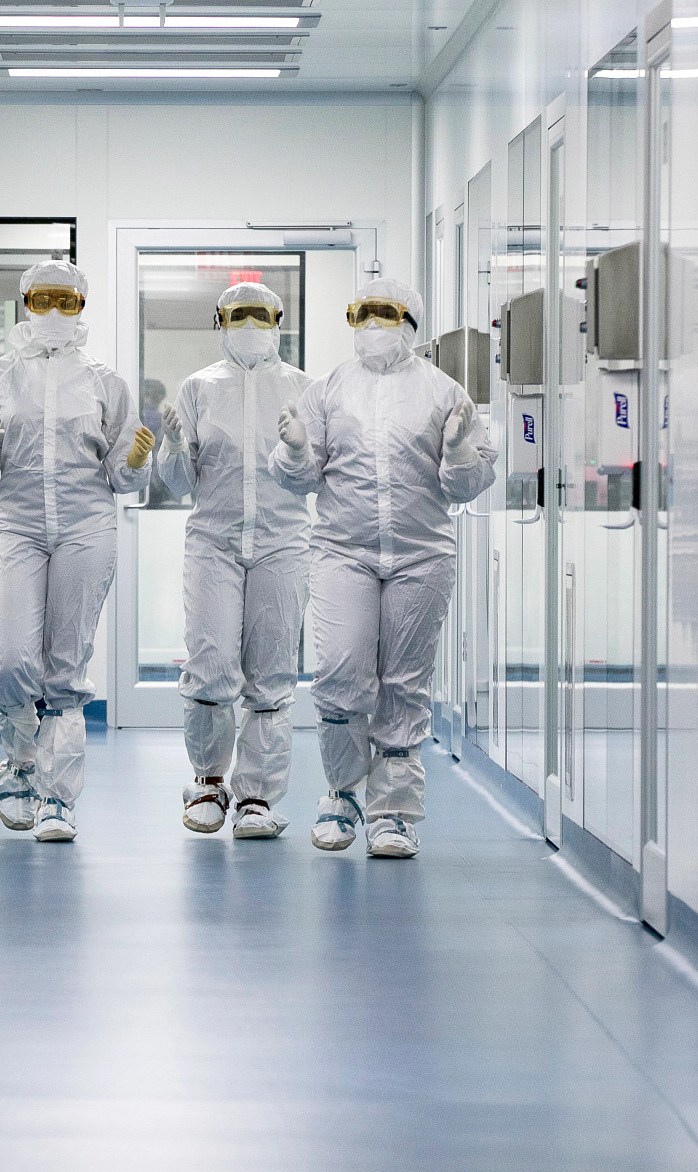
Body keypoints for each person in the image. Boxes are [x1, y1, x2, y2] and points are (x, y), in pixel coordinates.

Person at [272, 278, 496, 858]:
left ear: (411, 324)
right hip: (343, 551)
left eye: (385, 313)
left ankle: (393, 813)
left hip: (421, 555)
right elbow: (299, 481)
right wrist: (295, 449)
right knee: (341, 673)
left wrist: (459, 450)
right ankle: (341, 795)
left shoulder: (446, 393)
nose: (371, 325)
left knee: (403, 684)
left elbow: (466, 487)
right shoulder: (327, 392)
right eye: (361, 314)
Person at [0, 260, 155, 842]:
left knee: (66, 666)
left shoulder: (106, 381)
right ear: (24, 302)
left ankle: (58, 798)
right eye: (42, 300)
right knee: (8, 660)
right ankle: (21, 760)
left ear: (83, 307)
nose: (53, 313)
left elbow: (121, 477)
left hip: (86, 524)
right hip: (18, 522)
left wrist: (133, 464)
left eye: (67, 302)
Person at [157, 281, 310, 839]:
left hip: (283, 541)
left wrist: (297, 449)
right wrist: (174, 448)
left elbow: (313, 475)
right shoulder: (199, 388)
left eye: (260, 314)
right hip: (214, 544)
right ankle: (207, 780)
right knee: (211, 662)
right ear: (218, 321)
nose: (249, 325)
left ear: (278, 320)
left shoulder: (301, 388)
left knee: (271, 673)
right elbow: (180, 485)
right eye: (237, 315)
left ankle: (259, 798)